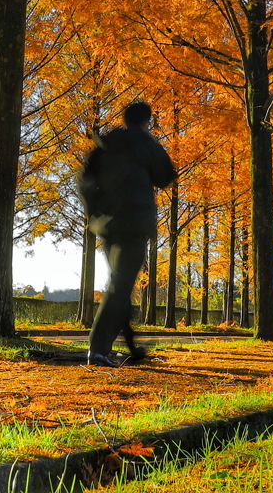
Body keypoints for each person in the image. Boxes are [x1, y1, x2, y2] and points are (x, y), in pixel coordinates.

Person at [79, 100, 177, 367]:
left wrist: (94, 213)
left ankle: (131, 347)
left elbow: (86, 181)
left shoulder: (105, 144)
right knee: (120, 286)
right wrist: (151, 142)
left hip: (108, 224)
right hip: (135, 224)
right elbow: (166, 176)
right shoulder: (146, 144)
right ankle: (98, 350)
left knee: (119, 284)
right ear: (146, 121)